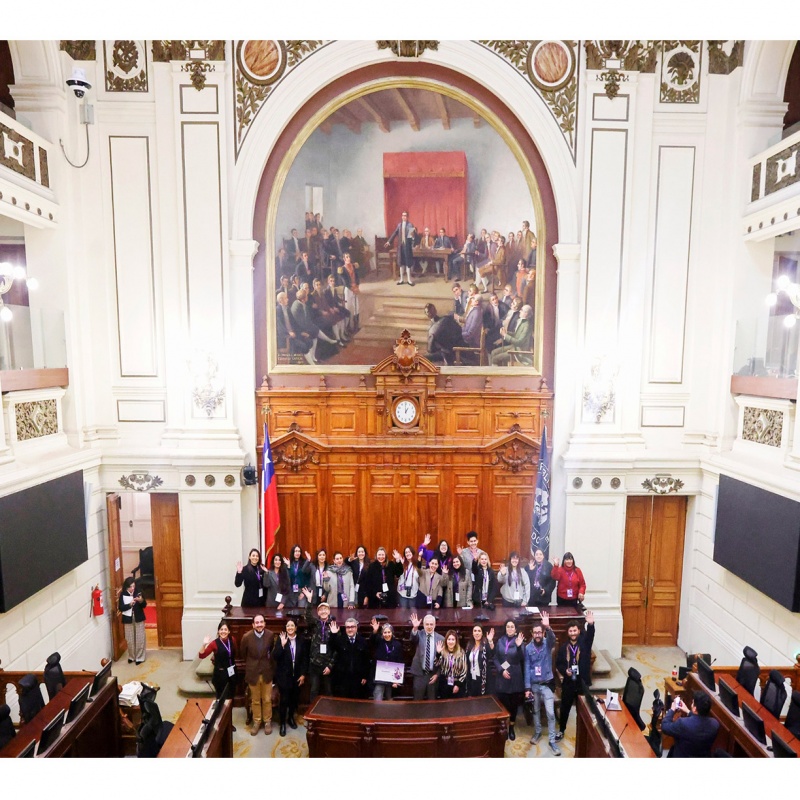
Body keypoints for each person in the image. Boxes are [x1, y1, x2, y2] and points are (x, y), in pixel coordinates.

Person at [524, 611, 560, 755]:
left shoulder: (548, 643)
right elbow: (526, 667)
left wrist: (548, 627)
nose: (538, 635)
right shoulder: (528, 648)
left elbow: (553, 638)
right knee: (536, 710)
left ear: (543, 633)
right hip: (534, 685)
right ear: (532, 634)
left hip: (547, 684)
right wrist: (527, 687)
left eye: (540, 632)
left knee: (550, 713)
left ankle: (552, 740)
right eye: (535, 633)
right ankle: (538, 732)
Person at [555, 610, 595, 739]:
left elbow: (590, 635)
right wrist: (564, 671)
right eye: (570, 631)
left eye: (575, 630)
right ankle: (561, 730)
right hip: (568, 682)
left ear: (578, 631)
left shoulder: (585, 643)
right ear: (568, 633)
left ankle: (583, 732)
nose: (573, 633)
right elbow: (559, 663)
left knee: (583, 709)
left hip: (582, 681)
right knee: (565, 707)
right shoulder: (563, 647)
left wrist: (591, 625)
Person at [240, 613, 275, 736]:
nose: (259, 624)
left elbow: (271, 651)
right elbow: (243, 654)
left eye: (261, 622)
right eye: (257, 622)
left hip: (267, 672)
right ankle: (257, 721)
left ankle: (267, 721)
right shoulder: (246, 637)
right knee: (255, 700)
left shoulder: (270, 635)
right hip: (253, 672)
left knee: (266, 699)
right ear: (253, 624)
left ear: (264, 623)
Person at [272, 619, 308, 737]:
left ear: (296, 628)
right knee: (284, 700)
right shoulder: (281, 639)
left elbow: (304, 659)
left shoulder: (301, 640)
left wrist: (303, 674)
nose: (290, 627)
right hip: (284, 677)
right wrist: (282, 645)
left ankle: (291, 718)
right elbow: (275, 657)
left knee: (293, 700)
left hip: (296, 676)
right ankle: (282, 723)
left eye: (292, 625)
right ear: (286, 628)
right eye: (288, 626)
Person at [661, 691, 721, 758]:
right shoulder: (715, 725)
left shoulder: (683, 723)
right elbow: (698, 720)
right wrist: (688, 711)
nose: (691, 704)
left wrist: (672, 709)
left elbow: (664, 726)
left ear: (695, 709)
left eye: (692, 703)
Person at [494, 620, 526, 740]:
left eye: (512, 627)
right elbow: (496, 658)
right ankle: (503, 726)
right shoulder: (500, 641)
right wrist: (501, 670)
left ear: (515, 629)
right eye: (508, 626)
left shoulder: (519, 641)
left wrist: (518, 647)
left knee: (513, 705)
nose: (510, 629)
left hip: (515, 677)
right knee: (503, 703)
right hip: (502, 676)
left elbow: (521, 658)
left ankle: (511, 728)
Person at [301, 591, 336, 700]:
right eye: (321, 609)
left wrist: (330, 665)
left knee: (328, 691)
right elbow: (307, 615)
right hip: (314, 664)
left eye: (326, 609)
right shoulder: (315, 624)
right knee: (313, 690)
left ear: (329, 611)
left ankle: (329, 716)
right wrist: (309, 600)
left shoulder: (333, 625)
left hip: (327, 665)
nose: (323, 611)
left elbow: (337, 649)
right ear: (318, 612)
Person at [329, 617, 370, 698]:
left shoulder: (362, 641)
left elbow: (366, 660)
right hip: (343, 679)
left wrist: (365, 676)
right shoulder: (340, 640)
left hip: (357, 679)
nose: (350, 629)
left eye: (352, 627)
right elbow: (331, 647)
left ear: (356, 628)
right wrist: (333, 634)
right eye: (348, 627)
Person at [199, 620, 237, 700]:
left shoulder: (232, 640)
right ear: (218, 631)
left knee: (231, 696)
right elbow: (202, 655)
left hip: (231, 672)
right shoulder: (214, 643)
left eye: (225, 629)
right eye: (221, 629)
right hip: (220, 674)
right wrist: (204, 644)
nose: (223, 632)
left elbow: (235, 652)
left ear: (229, 631)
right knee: (221, 698)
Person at [409, 612, 444, 700]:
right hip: (419, 674)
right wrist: (415, 627)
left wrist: (437, 674)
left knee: (432, 703)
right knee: (417, 701)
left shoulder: (441, 639)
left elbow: (443, 660)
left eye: (431, 624)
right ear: (423, 625)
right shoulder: (419, 634)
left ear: (435, 625)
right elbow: (413, 639)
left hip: (433, 675)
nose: (429, 626)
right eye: (427, 624)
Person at [369, 619, 405, 700]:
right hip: (379, 676)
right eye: (385, 632)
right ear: (382, 633)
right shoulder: (378, 642)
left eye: (389, 632)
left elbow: (400, 661)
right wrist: (375, 631)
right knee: (378, 697)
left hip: (392, 677)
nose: (387, 634)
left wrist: (397, 680)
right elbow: (371, 641)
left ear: (392, 633)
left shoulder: (397, 645)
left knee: (389, 699)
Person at [119, 576, 147, 664]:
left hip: (138, 617)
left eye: (133, 586)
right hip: (128, 619)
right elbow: (121, 608)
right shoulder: (123, 595)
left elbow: (144, 605)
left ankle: (140, 657)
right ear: (126, 587)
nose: (132, 588)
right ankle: (132, 656)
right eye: (130, 587)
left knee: (140, 638)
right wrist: (129, 605)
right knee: (130, 639)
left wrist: (141, 600)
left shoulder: (138, 592)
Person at [386, 210, 416, 286]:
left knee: (408, 263)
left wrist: (412, 238)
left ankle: (409, 280)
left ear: (407, 217)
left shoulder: (410, 225)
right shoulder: (399, 225)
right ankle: (401, 279)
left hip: (407, 247)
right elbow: (395, 233)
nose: (404, 217)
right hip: (400, 247)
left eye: (405, 215)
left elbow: (411, 237)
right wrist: (389, 241)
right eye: (402, 215)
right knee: (401, 263)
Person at [465, 624, 495, 696]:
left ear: (482, 633)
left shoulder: (486, 645)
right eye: (475, 631)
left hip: (483, 679)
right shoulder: (469, 646)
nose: (477, 633)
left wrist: (490, 641)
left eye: (479, 631)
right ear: (472, 633)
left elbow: (492, 653)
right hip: (472, 678)